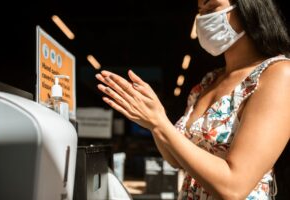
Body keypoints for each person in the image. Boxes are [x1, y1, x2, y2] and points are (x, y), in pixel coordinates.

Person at [95, 0, 290, 199]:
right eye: (200, 11)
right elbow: (176, 160)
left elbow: (234, 187)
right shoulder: (208, 82)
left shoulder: (277, 75)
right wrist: (152, 123)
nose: (203, 18)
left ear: (249, 8)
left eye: (212, 7)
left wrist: (160, 123)